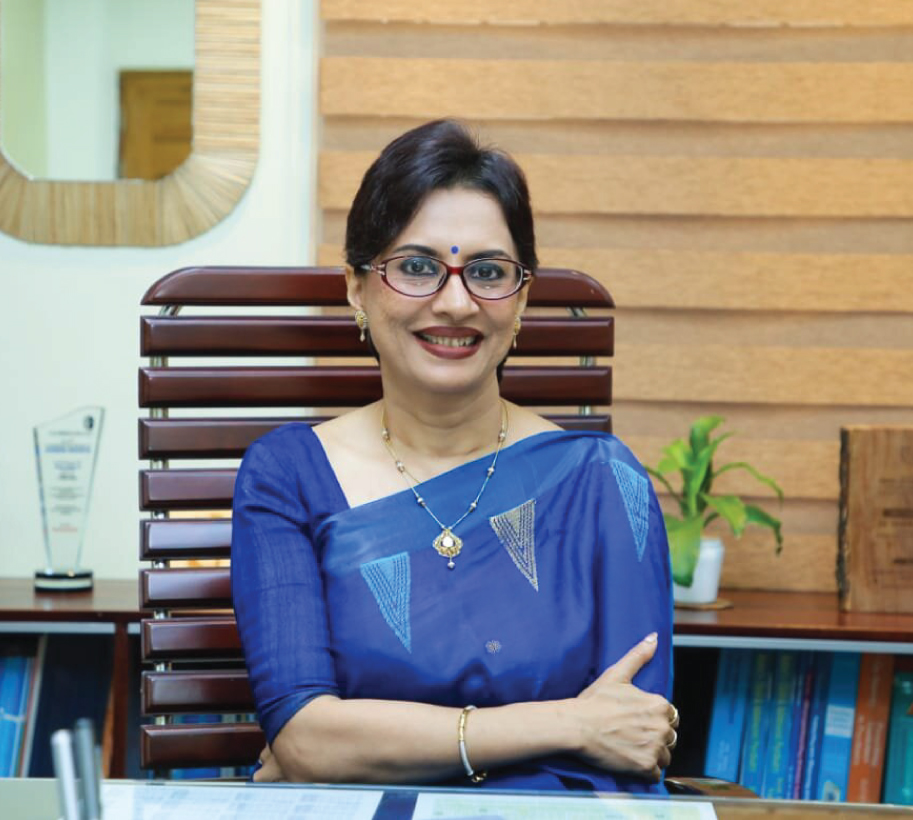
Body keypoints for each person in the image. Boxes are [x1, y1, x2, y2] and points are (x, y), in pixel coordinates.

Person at [231, 119, 678, 792]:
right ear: (356, 288)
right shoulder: (288, 476)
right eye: (416, 267)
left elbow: (631, 738)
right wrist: (569, 723)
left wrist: (358, 742)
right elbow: (305, 739)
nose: (455, 302)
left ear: (521, 300)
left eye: (488, 273)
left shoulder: (603, 482)